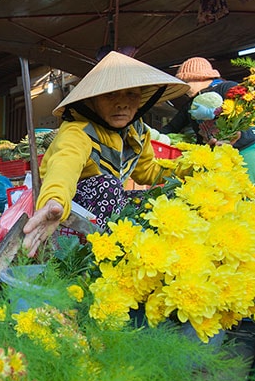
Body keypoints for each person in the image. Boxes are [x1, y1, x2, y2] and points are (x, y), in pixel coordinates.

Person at [23, 51, 189, 256]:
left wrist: (190, 168)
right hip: (65, 210)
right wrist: (54, 201)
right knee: (108, 185)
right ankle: (93, 257)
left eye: (131, 94)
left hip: (104, 209)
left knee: (160, 198)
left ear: (141, 99)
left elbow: (147, 171)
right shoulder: (78, 131)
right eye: (110, 95)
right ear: (93, 99)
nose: (122, 103)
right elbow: (64, 167)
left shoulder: (138, 131)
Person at [159, 57, 255, 185]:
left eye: (185, 81)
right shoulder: (190, 104)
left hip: (243, 152)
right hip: (214, 158)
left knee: (250, 194)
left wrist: (234, 135)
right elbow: (171, 127)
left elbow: (246, 113)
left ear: (198, 78)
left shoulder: (226, 88)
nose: (184, 88)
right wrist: (153, 138)